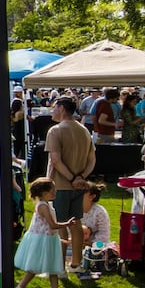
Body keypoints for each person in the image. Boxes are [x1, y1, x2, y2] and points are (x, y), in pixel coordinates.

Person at [45, 96, 97, 271]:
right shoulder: (84, 130)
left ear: (61, 108)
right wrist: (81, 177)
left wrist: (73, 178)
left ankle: (59, 267)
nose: (52, 110)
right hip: (79, 186)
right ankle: (76, 263)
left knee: (60, 227)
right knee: (75, 224)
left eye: (54, 107)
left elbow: (55, 160)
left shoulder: (55, 130)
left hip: (60, 186)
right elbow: (92, 160)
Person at [14, 178, 76, 288]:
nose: (55, 192)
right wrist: (67, 224)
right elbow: (52, 225)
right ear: (44, 192)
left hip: (49, 239)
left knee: (53, 267)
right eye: (52, 190)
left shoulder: (47, 204)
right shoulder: (43, 206)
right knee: (34, 268)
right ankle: (19, 287)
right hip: (42, 240)